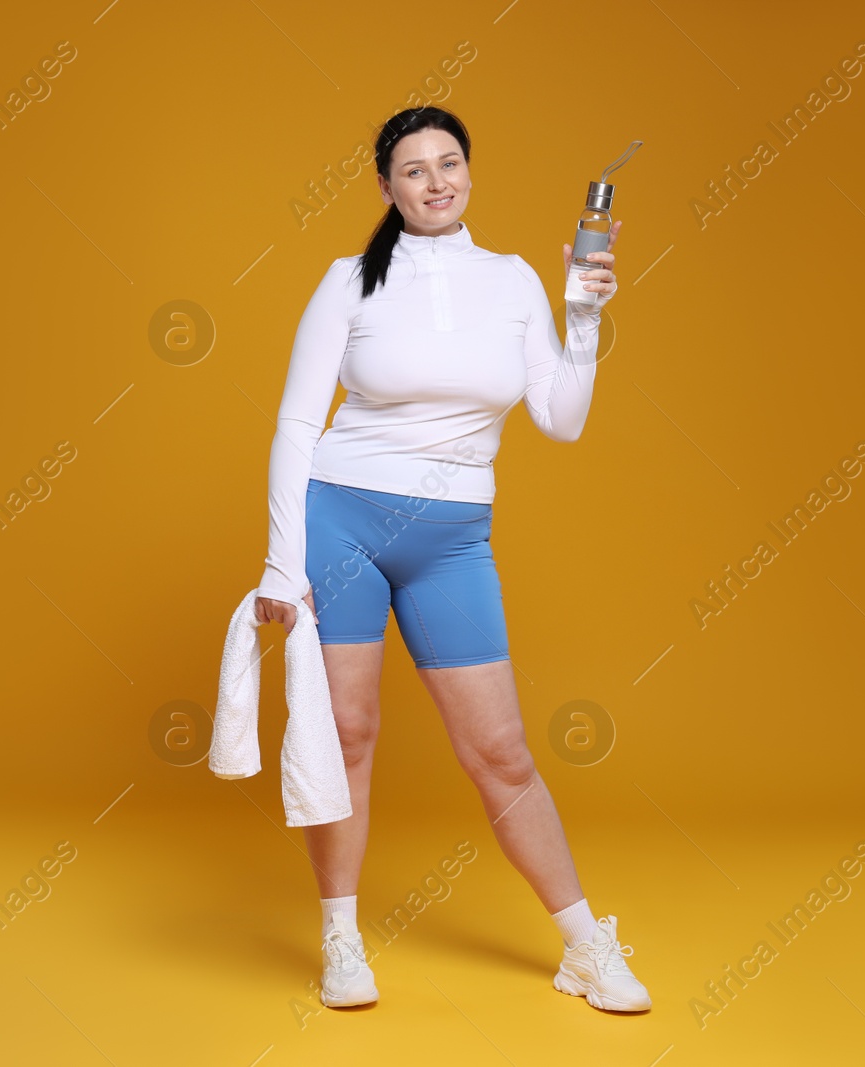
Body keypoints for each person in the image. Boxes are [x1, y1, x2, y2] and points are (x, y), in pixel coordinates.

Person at [251, 105, 651, 1014]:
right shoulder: (349, 280)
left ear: (470, 172)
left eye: (449, 163)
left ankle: (585, 947)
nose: (436, 182)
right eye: (414, 169)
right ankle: (341, 936)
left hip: (452, 540)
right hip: (339, 520)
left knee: (501, 751)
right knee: (346, 732)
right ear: (386, 187)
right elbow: (296, 426)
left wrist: (583, 316)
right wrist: (284, 563)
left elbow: (563, 419)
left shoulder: (513, 282)